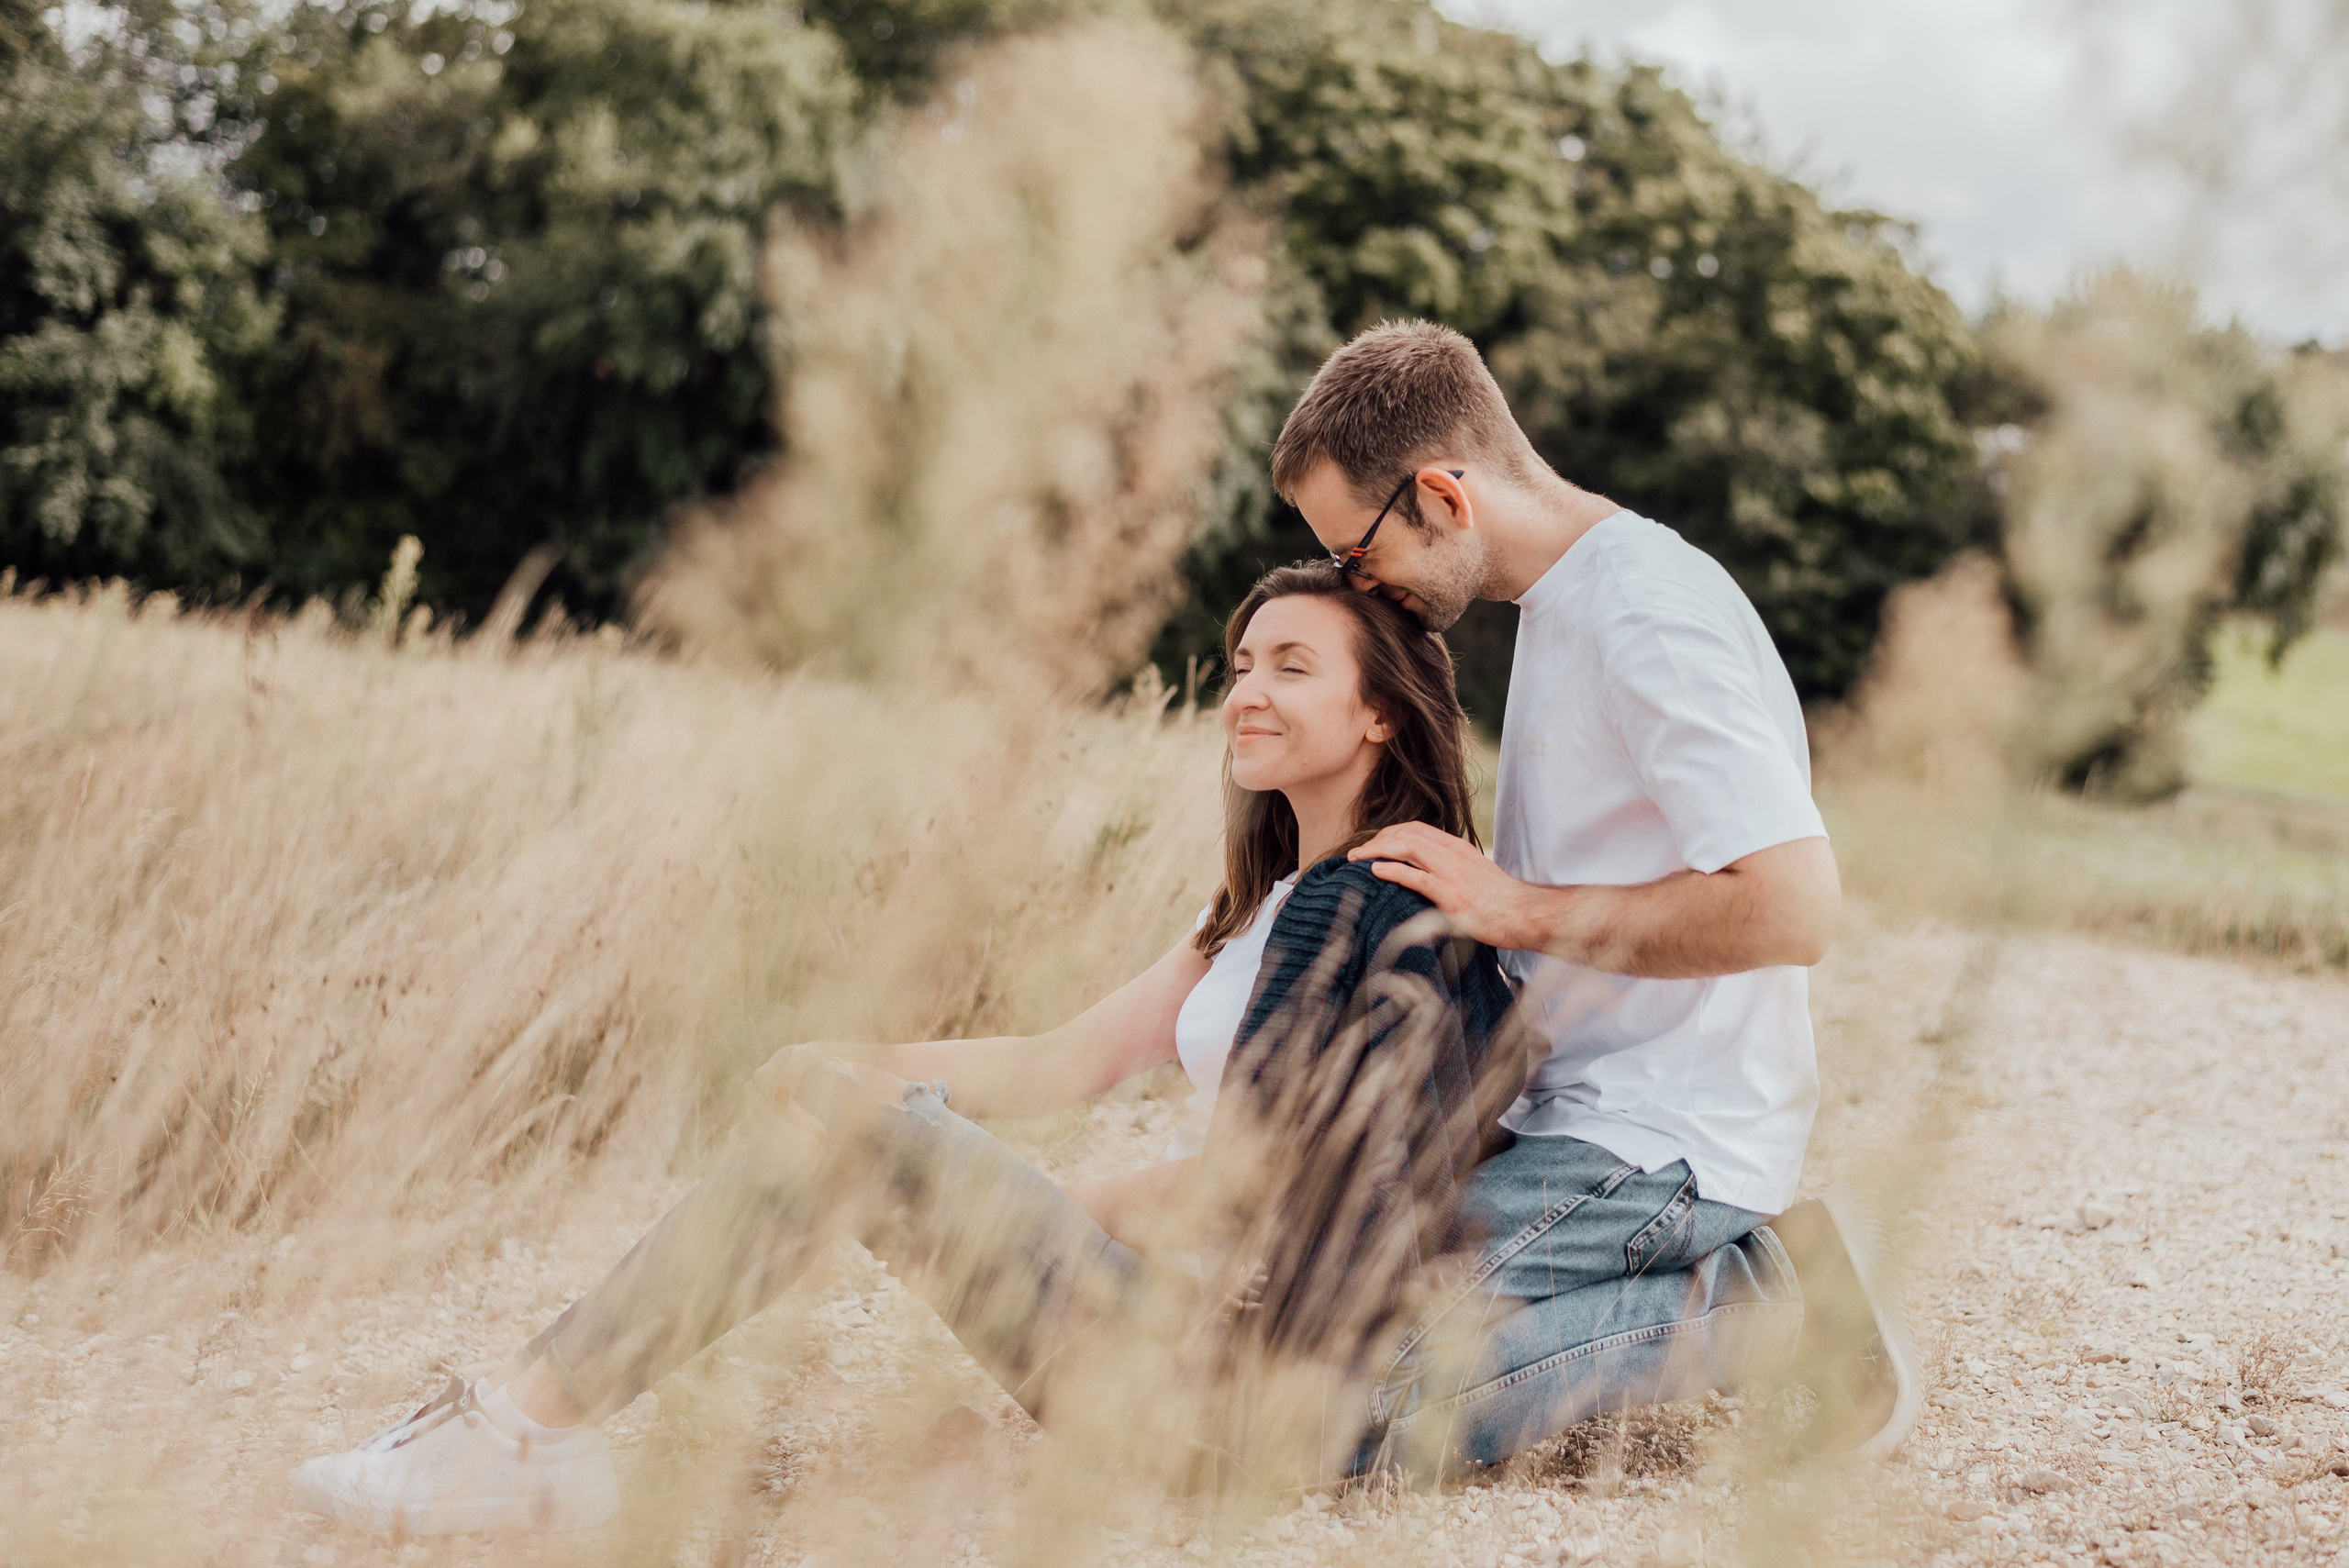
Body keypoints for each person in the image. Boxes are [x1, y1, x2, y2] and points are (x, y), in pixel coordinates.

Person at [292, 562, 1528, 1535]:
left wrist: (961, 1180)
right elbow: (1066, 1058)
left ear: (1376, 711)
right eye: (1242, 661)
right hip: (1183, 1352)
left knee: (864, 1147)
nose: (1247, 688)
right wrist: (849, 1062)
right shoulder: (1272, 901)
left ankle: (516, 1443)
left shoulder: (1367, 899)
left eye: (1294, 666)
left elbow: (1259, 1182)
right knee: (857, 1123)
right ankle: (521, 1432)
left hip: (1240, 1401)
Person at [1271, 319, 1922, 1468]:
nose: (1351, 582)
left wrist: (1520, 908)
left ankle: (1768, 1296)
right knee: (1296, 1332)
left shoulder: (1647, 618)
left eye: (1358, 551)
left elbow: (1793, 906)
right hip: (1573, 1116)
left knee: (1345, 1409)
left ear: (1441, 493)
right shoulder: (1561, 602)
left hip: (1663, 1136)